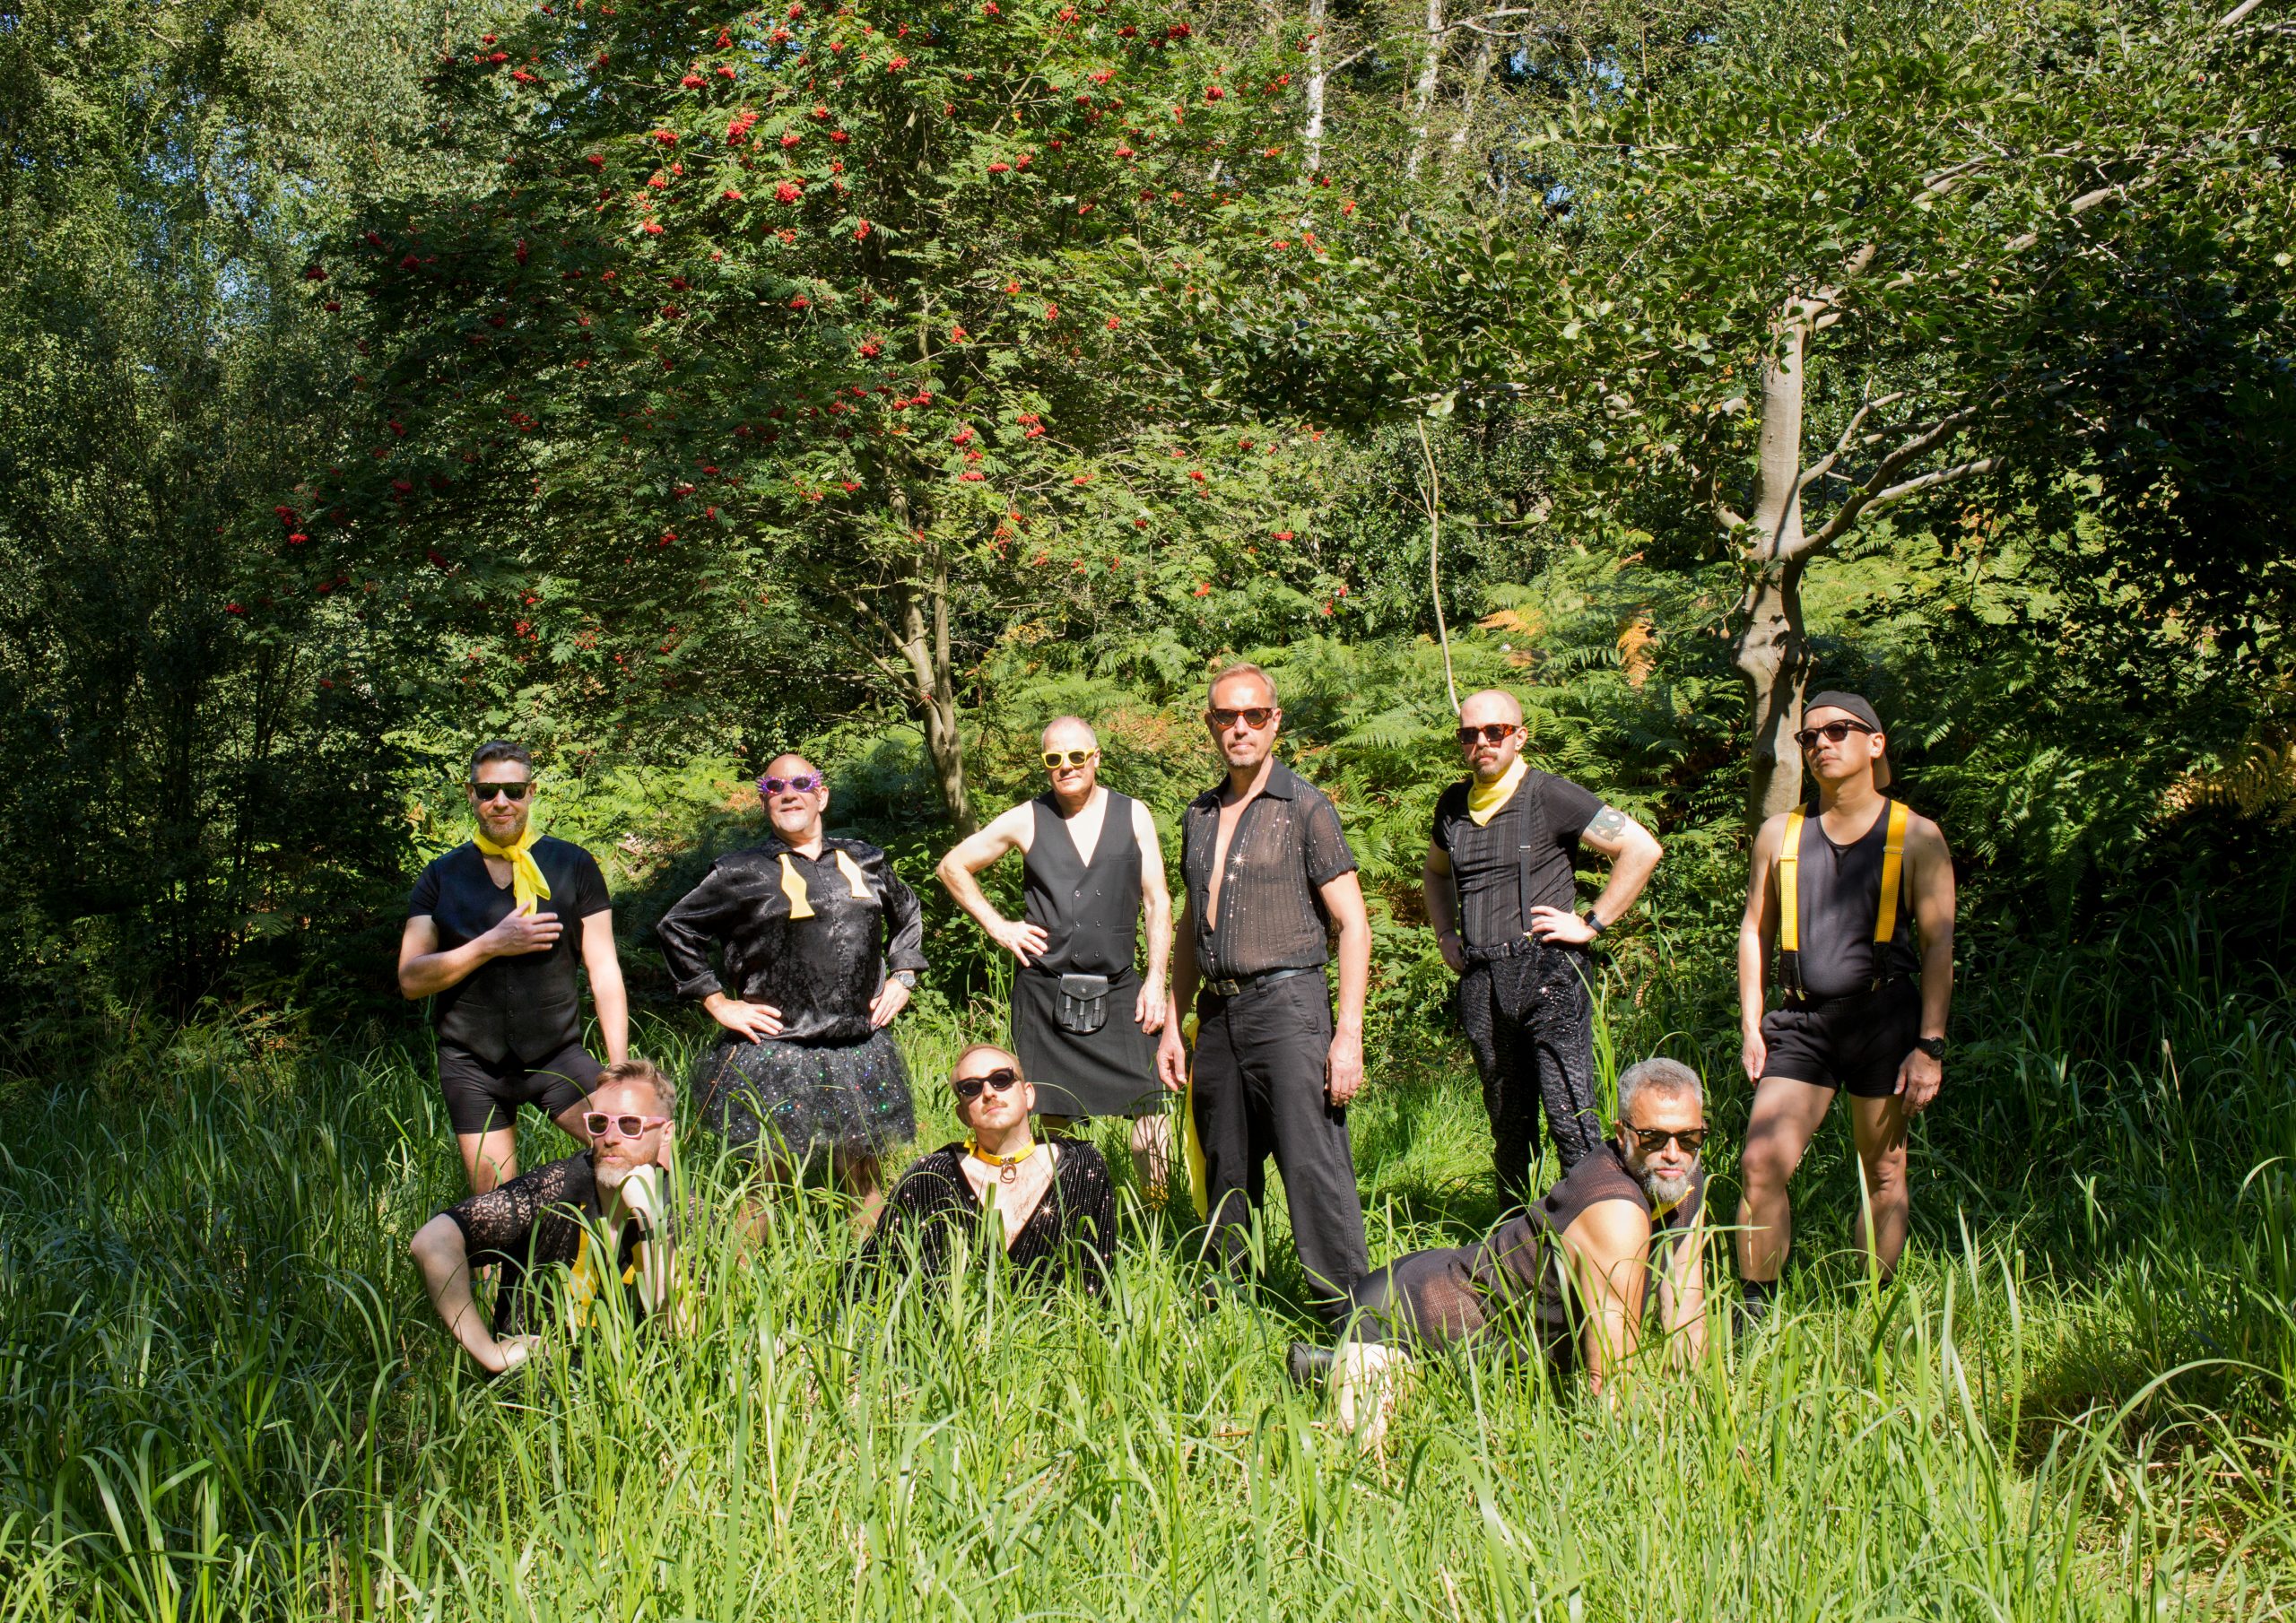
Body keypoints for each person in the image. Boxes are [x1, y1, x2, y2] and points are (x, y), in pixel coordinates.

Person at [1290, 1057, 1711, 1437]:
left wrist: (1699, 1420)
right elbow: (1614, 1376)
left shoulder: (1681, 1177)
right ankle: (1347, 1363)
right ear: (1622, 1135)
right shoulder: (1614, 1208)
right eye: (1654, 1138)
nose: (1673, 1154)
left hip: (1500, 1341)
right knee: (1368, 1458)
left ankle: (1340, 1365)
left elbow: (1687, 1307)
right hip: (1404, 1313)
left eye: (1689, 1138)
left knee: (1446, 1392)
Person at [1155, 663, 1370, 1321]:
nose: (1239, 728)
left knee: (1312, 1170)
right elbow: (1193, 923)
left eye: (1253, 715)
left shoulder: (1305, 807)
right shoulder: (1198, 814)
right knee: (1226, 1169)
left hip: (1290, 1007)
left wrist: (1348, 1034)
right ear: (1211, 725)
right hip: (1217, 1015)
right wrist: (1173, 1020)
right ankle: (1227, 1312)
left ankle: (1352, 1323)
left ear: (1275, 721)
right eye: (1226, 716)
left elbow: (1354, 924)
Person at [1735, 691, 1956, 1326]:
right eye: (1809, 737)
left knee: (1883, 1170)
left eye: (1837, 731)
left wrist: (1930, 1045)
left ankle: (1873, 1314)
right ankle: (1755, 1316)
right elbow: (1755, 929)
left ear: (1874, 744)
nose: (1821, 744)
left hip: (1884, 1021)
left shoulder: (1916, 836)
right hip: (1801, 1022)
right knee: (1760, 1163)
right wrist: (1752, 1024)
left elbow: (1940, 942)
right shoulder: (1782, 833)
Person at [656, 754, 925, 1226]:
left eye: (802, 783)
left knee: (864, 1178)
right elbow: (677, 928)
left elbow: (908, 912)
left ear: (822, 795)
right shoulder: (740, 871)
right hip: (777, 1050)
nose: (789, 792)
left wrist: (904, 974)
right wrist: (716, 1001)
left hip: (858, 1044)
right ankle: (735, 1292)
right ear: (765, 802)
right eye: (775, 786)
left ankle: (876, 1279)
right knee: (764, 1185)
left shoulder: (866, 858)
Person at [1422, 688, 1663, 1204]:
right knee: (1508, 1126)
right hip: (1481, 977)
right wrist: (1445, 933)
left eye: (1496, 732)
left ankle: (1599, 1240)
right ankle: (1517, 1248)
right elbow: (1435, 873)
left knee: (1570, 1115)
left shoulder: (1550, 795)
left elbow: (1641, 848)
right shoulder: (1451, 806)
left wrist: (1593, 922)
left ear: (1519, 736)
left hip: (1548, 972)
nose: (1482, 742)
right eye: (1470, 734)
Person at [936, 716, 1174, 1194]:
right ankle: (1049, 1220)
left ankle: (1158, 1220)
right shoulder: (1027, 817)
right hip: (1045, 992)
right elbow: (952, 865)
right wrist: (998, 926)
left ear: (1096, 758)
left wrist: (1155, 980)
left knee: (1152, 1114)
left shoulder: (1134, 814)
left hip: (1123, 987)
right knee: (1045, 1123)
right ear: (1046, 765)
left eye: (1076, 756)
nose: (1066, 767)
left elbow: (1157, 901)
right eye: (1054, 759)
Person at [400, 740, 629, 1193]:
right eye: (488, 792)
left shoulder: (573, 864)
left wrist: (619, 1069)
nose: (500, 802)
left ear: (531, 792)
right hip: (471, 1064)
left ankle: (648, 1260)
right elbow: (411, 980)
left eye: (512, 790)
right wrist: (490, 944)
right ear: (471, 796)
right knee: (493, 1211)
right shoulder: (442, 875)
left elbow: (604, 969)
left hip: (556, 1057)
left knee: (635, 1160)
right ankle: (503, 1268)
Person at [407, 1057, 678, 1375]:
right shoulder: (553, 1189)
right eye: (600, 1123)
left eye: (631, 1124)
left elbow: (682, 1331)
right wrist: (489, 1353)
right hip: (531, 1402)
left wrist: (650, 1222)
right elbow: (432, 1241)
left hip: (633, 1403)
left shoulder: (684, 1210)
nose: (611, 1137)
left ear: (666, 1133)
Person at [858, 1043, 1118, 1293]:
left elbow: (1098, 1279)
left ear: (1028, 1094)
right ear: (962, 1114)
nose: (989, 1092)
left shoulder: (1080, 1166)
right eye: (971, 1087)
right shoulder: (932, 1176)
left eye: (1001, 1079)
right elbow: (874, 1271)